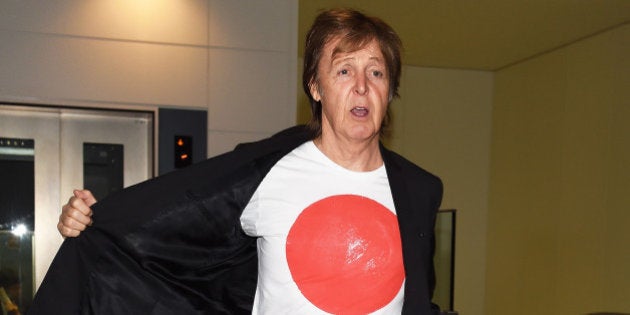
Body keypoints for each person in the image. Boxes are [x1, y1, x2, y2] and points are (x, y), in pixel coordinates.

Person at [32, 8, 443, 315]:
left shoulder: (419, 191)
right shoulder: (266, 172)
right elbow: (159, 232)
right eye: (343, 71)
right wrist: (93, 220)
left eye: (376, 73)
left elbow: (420, 295)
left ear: (389, 92)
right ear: (315, 88)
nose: (360, 87)